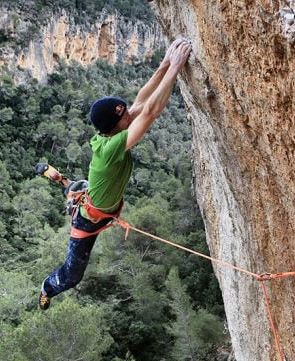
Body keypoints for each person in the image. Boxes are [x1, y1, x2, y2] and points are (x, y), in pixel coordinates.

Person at [38, 38, 193, 310]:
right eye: (124, 118)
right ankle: (47, 287)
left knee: (78, 187)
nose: (129, 116)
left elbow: (140, 103)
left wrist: (165, 63)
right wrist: (175, 70)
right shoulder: (112, 147)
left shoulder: (114, 130)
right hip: (90, 221)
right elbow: (150, 112)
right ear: (114, 128)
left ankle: (60, 180)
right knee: (73, 275)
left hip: (94, 194)